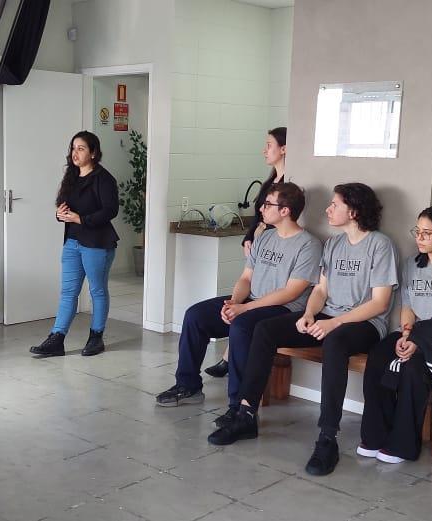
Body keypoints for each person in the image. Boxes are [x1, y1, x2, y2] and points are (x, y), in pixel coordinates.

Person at [212, 183, 397, 479]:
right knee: (264, 329)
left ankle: (327, 438)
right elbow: (321, 290)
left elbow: (380, 303)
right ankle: (246, 413)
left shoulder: (379, 245)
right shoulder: (334, 244)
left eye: (334, 204)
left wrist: (334, 322)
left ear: (354, 211)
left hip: (364, 324)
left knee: (335, 343)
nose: (328, 209)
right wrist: (309, 313)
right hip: (326, 316)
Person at [155, 182, 321, 413]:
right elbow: (246, 277)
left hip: (283, 309)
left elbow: (291, 292)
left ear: (285, 211)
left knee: (241, 326)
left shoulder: (309, 245)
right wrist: (234, 302)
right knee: (195, 316)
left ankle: (237, 405)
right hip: (251, 301)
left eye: (267, 204)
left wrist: (245, 309)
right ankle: (188, 385)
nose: (261, 209)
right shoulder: (264, 237)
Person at [358, 205, 432, 463]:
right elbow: (408, 307)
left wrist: (417, 341)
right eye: (418, 231)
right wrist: (406, 334)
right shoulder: (412, 264)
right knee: (379, 355)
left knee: (413, 366)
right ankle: (375, 434)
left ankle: (403, 444)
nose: (420, 238)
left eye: (428, 233)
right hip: (418, 331)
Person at [204, 127, 290, 379]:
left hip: (275, 250)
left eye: (269, 145)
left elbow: (277, 222)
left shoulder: (289, 184)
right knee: (244, 292)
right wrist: (249, 237)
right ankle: (228, 357)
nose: (264, 150)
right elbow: (259, 218)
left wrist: (261, 233)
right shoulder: (271, 180)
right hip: (259, 246)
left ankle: (230, 359)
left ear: (284, 149)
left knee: (255, 301)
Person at [29, 131, 120, 358]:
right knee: (68, 291)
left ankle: (96, 337)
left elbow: (111, 210)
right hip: (72, 242)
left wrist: (82, 219)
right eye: (73, 148)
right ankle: (56, 339)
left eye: (80, 148)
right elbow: (64, 208)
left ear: (94, 152)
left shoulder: (104, 179)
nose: (75, 153)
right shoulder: (71, 177)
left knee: (97, 290)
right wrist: (60, 214)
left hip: (97, 243)